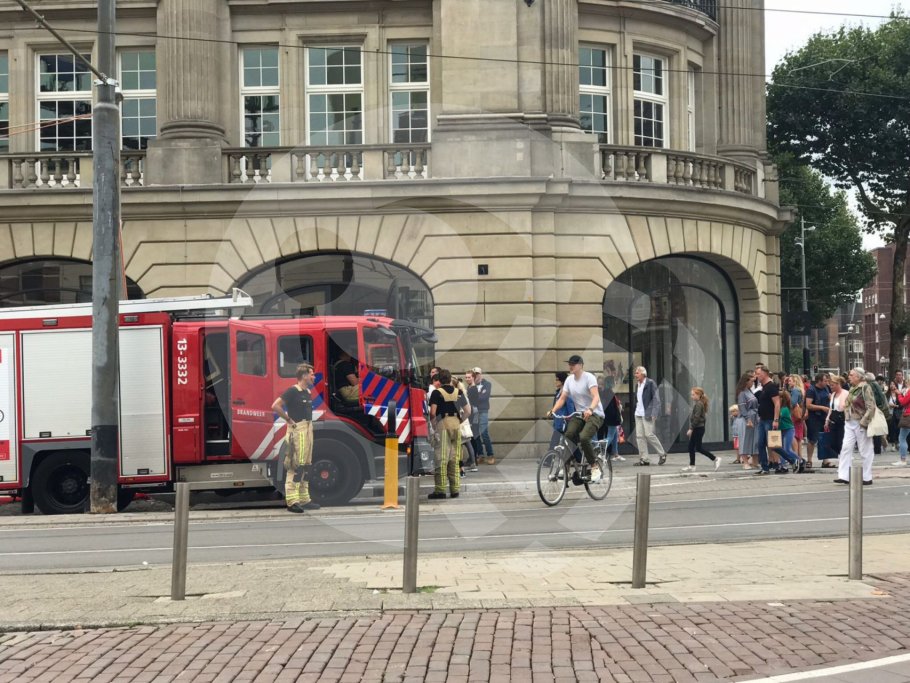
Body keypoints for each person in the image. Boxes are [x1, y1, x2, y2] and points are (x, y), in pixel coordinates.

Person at [271, 363, 320, 513]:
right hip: (297, 430)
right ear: (304, 376)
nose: (313, 377)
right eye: (311, 374)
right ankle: (292, 501)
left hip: (308, 429)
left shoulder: (307, 392)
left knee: (306, 464)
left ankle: (304, 499)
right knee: (295, 465)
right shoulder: (293, 391)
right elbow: (275, 406)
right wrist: (289, 420)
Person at [547, 355, 604, 482]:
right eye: (569, 364)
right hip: (579, 414)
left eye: (573, 364)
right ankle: (567, 467)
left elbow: (596, 397)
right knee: (568, 435)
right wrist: (553, 410)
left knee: (584, 437)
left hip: (595, 413)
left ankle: (594, 467)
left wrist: (590, 409)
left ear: (581, 365)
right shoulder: (569, 380)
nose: (570, 366)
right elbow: (562, 398)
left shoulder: (589, 377)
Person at [428, 369, 470, 500]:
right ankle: (455, 490)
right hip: (456, 425)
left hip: (443, 425)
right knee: (454, 457)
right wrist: (460, 420)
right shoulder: (459, 392)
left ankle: (440, 490)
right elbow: (468, 410)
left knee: (441, 457)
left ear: (439, 380)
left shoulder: (436, 393)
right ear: (450, 379)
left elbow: (433, 413)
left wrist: (434, 425)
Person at [834, 368, 876, 486]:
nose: (849, 377)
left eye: (851, 375)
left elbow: (871, 406)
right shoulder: (852, 388)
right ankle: (844, 476)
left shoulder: (865, 387)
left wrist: (864, 422)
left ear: (858, 377)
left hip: (860, 422)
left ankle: (867, 477)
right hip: (849, 422)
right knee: (846, 448)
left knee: (865, 450)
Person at [632, 366, 666, 466]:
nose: (635, 375)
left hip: (647, 413)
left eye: (637, 373)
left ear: (643, 374)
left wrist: (654, 413)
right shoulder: (636, 385)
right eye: (635, 373)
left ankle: (662, 454)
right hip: (638, 413)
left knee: (649, 434)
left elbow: (656, 399)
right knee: (639, 436)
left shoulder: (650, 383)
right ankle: (644, 459)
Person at [680, 387, 719, 473]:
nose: (691, 396)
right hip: (698, 428)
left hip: (698, 428)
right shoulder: (700, 403)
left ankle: (715, 459)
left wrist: (691, 429)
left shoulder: (699, 404)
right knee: (692, 447)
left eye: (693, 394)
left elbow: (697, 418)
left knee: (698, 448)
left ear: (698, 395)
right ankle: (692, 465)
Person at [753, 364, 779, 476]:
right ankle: (765, 467)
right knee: (760, 443)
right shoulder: (763, 386)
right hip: (762, 419)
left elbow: (777, 403)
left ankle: (792, 460)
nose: (757, 376)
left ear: (765, 373)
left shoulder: (771, 386)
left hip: (769, 419)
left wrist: (776, 419)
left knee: (773, 444)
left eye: (758, 374)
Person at [772, 391, 802, 473]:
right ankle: (783, 465)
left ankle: (800, 460)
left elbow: (778, 417)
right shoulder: (781, 408)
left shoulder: (784, 409)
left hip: (788, 429)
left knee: (787, 449)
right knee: (781, 449)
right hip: (781, 430)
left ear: (782, 399)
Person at [805, 373, 831, 469]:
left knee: (825, 438)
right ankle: (809, 460)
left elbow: (828, 397)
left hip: (824, 417)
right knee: (813, 439)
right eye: (825, 381)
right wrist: (821, 408)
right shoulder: (811, 390)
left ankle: (825, 460)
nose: (826, 382)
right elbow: (808, 405)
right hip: (815, 418)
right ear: (819, 381)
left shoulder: (826, 388)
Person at [824, 375, 849, 468]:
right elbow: (831, 408)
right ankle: (842, 456)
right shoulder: (833, 395)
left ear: (838, 384)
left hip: (842, 418)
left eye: (832, 385)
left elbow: (845, 407)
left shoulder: (846, 393)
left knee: (841, 441)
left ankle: (844, 460)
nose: (831, 387)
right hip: (833, 419)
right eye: (830, 385)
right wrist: (827, 420)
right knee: (833, 442)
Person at [472, 367, 495, 465]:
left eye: (477, 374)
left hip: (483, 411)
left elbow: (484, 397)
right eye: (474, 374)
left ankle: (490, 455)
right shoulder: (471, 385)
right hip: (474, 412)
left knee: (484, 433)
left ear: (481, 374)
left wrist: (475, 396)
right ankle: (480, 455)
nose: (476, 375)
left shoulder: (487, 384)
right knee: (475, 434)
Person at [736, 371, 759, 469]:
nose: (753, 383)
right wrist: (747, 419)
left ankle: (755, 462)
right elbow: (742, 408)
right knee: (745, 439)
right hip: (747, 418)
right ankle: (745, 462)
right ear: (746, 381)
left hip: (754, 417)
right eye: (751, 381)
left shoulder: (749, 391)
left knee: (755, 440)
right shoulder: (742, 393)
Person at [549, 371, 576, 449]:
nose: (555, 381)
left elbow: (571, 409)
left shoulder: (566, 393)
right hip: (558, 422)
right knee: (569, 445)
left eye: (557, 380)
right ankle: (548, 460)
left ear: (562, 381)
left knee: (555, 442)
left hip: (564, 423)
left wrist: (570, 420)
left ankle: (547, 460)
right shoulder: (558, 393)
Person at [787, 374, 806, 463]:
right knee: (799, 436)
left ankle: (795, 456)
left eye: (790, 381)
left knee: (793, 435)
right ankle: (799, 456)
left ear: (795, 381)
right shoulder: (801, 390)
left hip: (794, 415)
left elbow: (793, 403)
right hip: (800, 415)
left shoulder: (794, 390)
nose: (788, 382)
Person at [894, 383, 910, 467]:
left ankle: (903, 460)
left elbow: (903, 402)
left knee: (902, 437)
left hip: (908, 415)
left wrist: (899, 394)